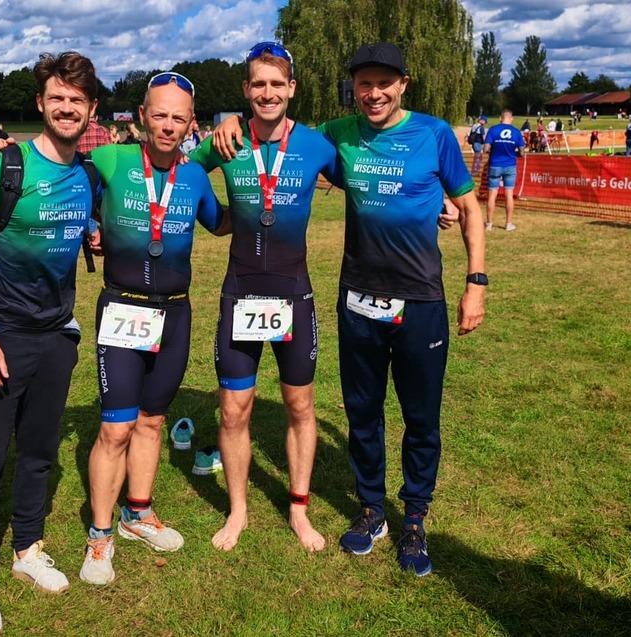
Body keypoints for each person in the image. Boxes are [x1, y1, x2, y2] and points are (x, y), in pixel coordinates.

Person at [213, 42, 485, 577]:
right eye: (365, 84)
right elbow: (284, 135)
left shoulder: (433, 134)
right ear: (354, 88)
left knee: (420, 417)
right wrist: (233, 126)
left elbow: (470, 206)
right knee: (362, 414)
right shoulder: (338, 135)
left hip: (422, 299)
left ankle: (415, 516)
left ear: (403, 83)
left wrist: (475, 280)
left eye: (385, 83)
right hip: (357, 298)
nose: (375, 93)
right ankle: (371, 510)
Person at [0, 51, 102, 637]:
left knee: (40, 453)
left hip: (57, 335)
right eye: (57, 97)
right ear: (41, 103)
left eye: (77, 99)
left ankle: (28, 549)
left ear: (91, 110)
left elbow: (79, 235)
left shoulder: (87, 174)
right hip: (0, 334)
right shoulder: (4, 167)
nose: (67, 107)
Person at [187, 42, 342, 552]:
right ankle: (238, 510)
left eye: (278, 84)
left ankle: (299, 508)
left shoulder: (317, 145)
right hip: (241, 292)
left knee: (300, 405)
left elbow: (367, 185)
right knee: (233, 410)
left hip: (293, 293)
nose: (268, 93)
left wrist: (429, 205)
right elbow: (181, 173)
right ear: (246, 91)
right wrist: (214, 218)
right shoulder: (226, 141)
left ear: (292, 89)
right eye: (259, 84)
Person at [79, 72, 225, 587]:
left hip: (176, 313)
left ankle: (136, 514)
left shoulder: (195, 177)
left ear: (191, 124)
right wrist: (88, 229)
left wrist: (254, 186)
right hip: (122, 307)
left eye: (178, 118)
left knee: (152, 422)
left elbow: (222, 221)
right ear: (142, 115)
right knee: (114, 427)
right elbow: (62, 179)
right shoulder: (110, 160)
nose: (167, 125)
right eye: (158, 114)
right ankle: (99, 536)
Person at [484, 109, 526, 231]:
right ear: (511, 119)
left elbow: (486, 149)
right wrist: (515, 153)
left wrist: (493, 151)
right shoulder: (516, 132)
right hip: (510, 165)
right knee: (509, 195)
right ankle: (508, 224)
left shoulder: (493, 129)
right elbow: (522, 153)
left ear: (500, 118)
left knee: (492, 195)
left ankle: (489, 224)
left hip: (495, 165)